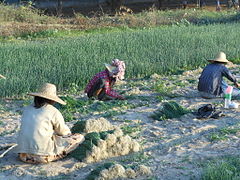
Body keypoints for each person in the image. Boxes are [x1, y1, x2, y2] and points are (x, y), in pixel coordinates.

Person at [16, 83, 85, 164]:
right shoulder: (53, 111)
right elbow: (63, 132)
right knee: (79, 138)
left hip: (23, 155)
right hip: (42, 157)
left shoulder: (27, 109)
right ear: (52, 99)